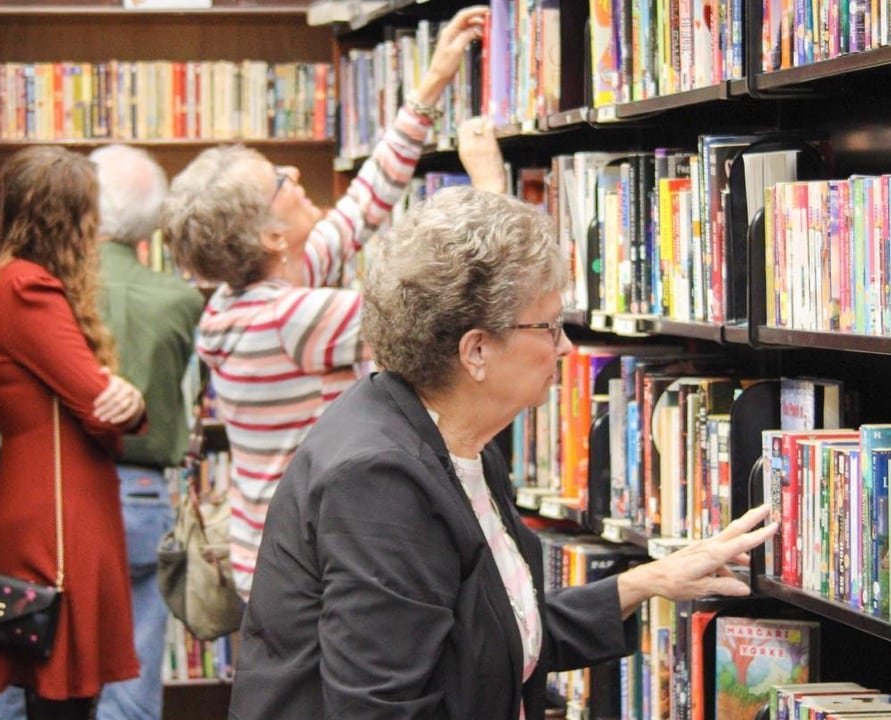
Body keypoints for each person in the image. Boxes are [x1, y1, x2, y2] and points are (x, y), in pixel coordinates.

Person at [228, 187, 779, 719]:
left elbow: (492, 640)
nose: (566, 346)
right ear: (477, 350)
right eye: (549, 326)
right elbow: (383, 707)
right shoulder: (380, 479)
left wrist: (648, 581)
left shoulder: (458, 442)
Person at [160, 4, 493, 602]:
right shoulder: (288, 320)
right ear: (270, 237)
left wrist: (431, 85)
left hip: (275, 549)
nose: (293, 171)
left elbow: (365, 203)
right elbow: (431, 305)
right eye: (279, 182)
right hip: (306, 557)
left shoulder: (253, 299)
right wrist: (489, 195)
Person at [0, 145, 205, 720]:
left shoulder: (4, 280)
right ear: (68, 217)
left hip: (43, 500)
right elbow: (100, 403)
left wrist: (119, 399)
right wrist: (125, 402)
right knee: (65, 692)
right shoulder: (31, 290)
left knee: (42, 683)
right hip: (62, 513)